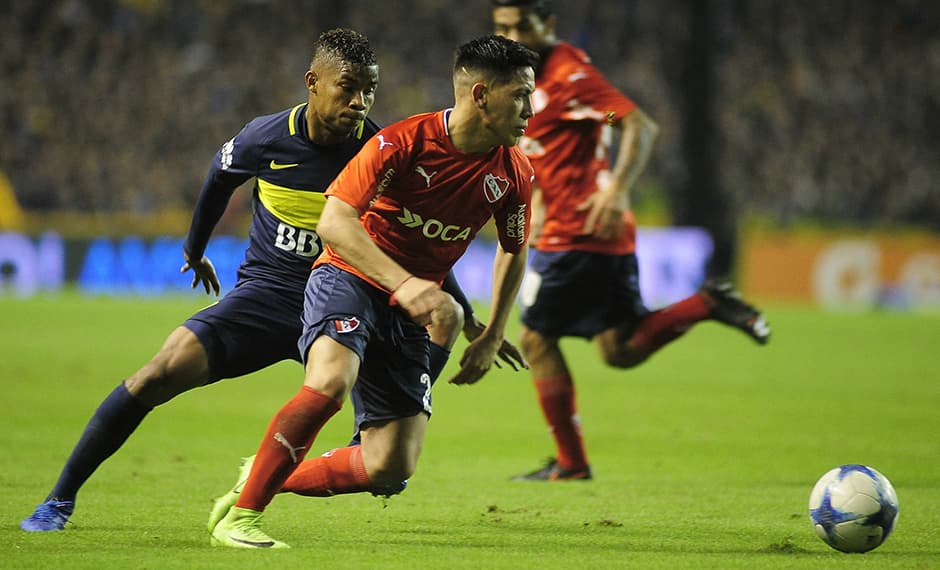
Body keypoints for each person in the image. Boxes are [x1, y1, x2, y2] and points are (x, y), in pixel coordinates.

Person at [20, 28, 523, 533]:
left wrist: (467, 314)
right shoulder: (266, 137)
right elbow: (219, 178)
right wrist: (195, 249)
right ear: (313, 82)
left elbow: (413, 242)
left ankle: (346, 449)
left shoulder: (380, 145)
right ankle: (59, 499)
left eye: (369, 91)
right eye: (348, 88)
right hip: (272, 295)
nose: (359, 102)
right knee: (159, 372)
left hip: (354, 295)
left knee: (390, 464)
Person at [208, 34, 539, 549]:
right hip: (349, 278)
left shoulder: (514, 173)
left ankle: (265, 472)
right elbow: (335, 221)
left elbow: (513, 249)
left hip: (407, 311)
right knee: (329, 384)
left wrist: (494, 331)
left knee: (390, 467)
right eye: (520, 96)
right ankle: (242, 519)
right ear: (480, 95)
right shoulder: (402, 143)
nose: (530, 111)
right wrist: (404, 283)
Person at [490, 0, 771, 481]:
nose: (512, 36)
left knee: (535, 339)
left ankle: (571, 463)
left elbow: (635, 122)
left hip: (578, 231)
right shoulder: (535, 78)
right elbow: (556, 148)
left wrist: (618, 188)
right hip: (594, 233)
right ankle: (704, 303)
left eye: (522, 26)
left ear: (548, 24)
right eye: (502, 27)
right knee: (618, 349)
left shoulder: (570, 76)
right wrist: (536, 198)